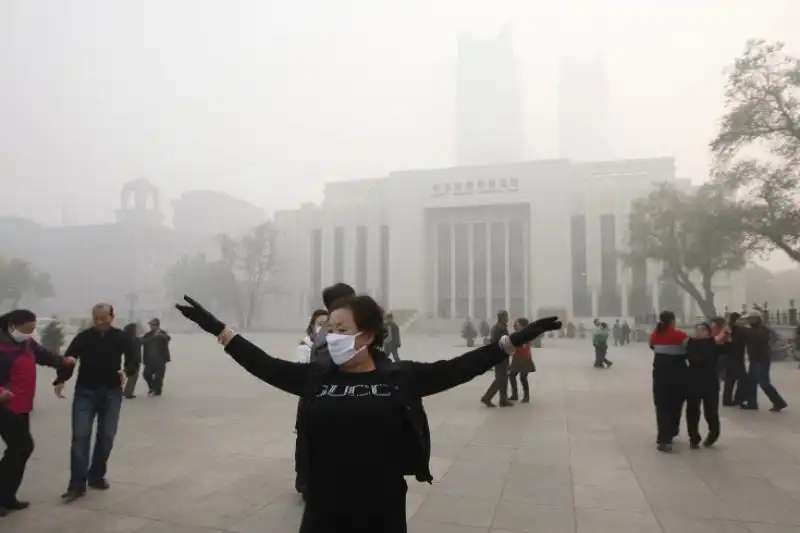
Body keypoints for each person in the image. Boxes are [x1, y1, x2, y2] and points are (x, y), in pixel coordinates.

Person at [175, 294, 561, 533]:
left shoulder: (400, 377)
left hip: (381, 506)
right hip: (324, 507)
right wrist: (218, 329)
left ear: (369, 335)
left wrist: (512, 342)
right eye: (328, 328)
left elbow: (460, 367)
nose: (331, 336)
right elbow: (262, 364)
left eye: (341, 328)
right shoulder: (315, 377)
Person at [55, 303, 137, 501]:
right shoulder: (84, 337)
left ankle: (96, 475)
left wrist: (127, 371)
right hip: (86, 391)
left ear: (112, 316)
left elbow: (134, 358)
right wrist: (61, 378)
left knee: (107, 435)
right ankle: (77, 484)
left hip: (112, 392)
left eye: (104, 317)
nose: (100, 322)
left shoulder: (121, 337)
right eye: (97, 318)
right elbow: (70, 358)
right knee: (80, 436)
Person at [0, 310, 76, 516]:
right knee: (21, 447)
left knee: (20, 450)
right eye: (27, 330)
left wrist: (63, 361)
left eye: (32, 330)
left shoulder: (26, 343)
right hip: (4, 406)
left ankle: (7, 497)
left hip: (22, 405)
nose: (30, 334)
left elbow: (43, 355)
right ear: (12, 326)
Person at [294, 308, 328, 499]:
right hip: (309, 399)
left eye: (327, 324)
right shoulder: (305, 345)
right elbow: (301, 372)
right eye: (320, 323)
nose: (323, 327)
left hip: (327, 399)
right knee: (305, 442)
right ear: (313, 325)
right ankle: (304, 482)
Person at [649, 310, 689, 453]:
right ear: (672, 321)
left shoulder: (655, 335)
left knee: (661, 406)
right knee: (675, 405)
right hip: (678, 376)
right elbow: (690, 349)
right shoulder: (680, 335)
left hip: (660, 376)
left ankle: (663, 436)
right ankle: (670, 432)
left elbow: (652, 347)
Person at [685, 320, 725, 449]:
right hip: (693, 381)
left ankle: (713, 434)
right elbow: (692, 358)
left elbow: (726, 348)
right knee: (692, 411)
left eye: (702, 329)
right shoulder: (691, 342)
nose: (699, 331)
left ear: (708, 332)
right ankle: (693, 437)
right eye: (697, 329)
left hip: (710, 382)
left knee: (711, 412)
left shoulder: (714, 343)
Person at [741, 310, 787, 412]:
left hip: (762, 359)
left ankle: (779, 402)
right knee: (751, 382)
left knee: (764, 383)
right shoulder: (753, 329)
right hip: (754, 359)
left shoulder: (762, 330)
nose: (747, 321)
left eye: (749, 319)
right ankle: (751, 403)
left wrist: (745, 330)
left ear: (756, 319)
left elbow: (758, 337)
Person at [480, 310, 513, 408]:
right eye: (507, 316)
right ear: (503, 317)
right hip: (501, 356)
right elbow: (504, 343)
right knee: (501, 378)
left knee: (503, 378)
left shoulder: (496, 327)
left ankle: (503, 399)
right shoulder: (501, 328)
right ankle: (487, 397)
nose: (508, 318)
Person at [722, 312, 747, 406]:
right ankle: (738, 398)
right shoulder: (738, 330)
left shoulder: (728, 328)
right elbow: (737, 341)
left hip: (730, 357)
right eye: (740, 319)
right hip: (736, 358)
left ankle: (727, 400)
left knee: (730, 380)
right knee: (743, 379)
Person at [141, 318, 171, 397]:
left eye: (152, 325)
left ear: (157, 325)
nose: (151, 326)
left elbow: (168, 338)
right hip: (149, 360)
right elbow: (142, 341)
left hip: (160, 359)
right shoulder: (148, 335)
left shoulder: (163, 333)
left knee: (159, 376)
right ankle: (152, 388)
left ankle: (157, 390)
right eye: (150, 325)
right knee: (146, 374)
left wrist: (159, 335)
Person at [508, 318, 535, 403]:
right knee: (512, 375)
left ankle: (526, 396)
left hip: (524, 359)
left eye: (518, 324)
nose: (516, 325)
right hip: (517, 359)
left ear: (522, 326)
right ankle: (514, 395)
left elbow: (524, 346)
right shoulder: (517, 334)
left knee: (523, 377)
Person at [122, 323, 142, 399]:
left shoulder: (127, 339)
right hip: (133, 361)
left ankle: (127, 392)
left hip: (129, 360)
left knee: (132, 376)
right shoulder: (134, 339)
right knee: (133, 376)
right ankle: (128, 393)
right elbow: (145, 341)